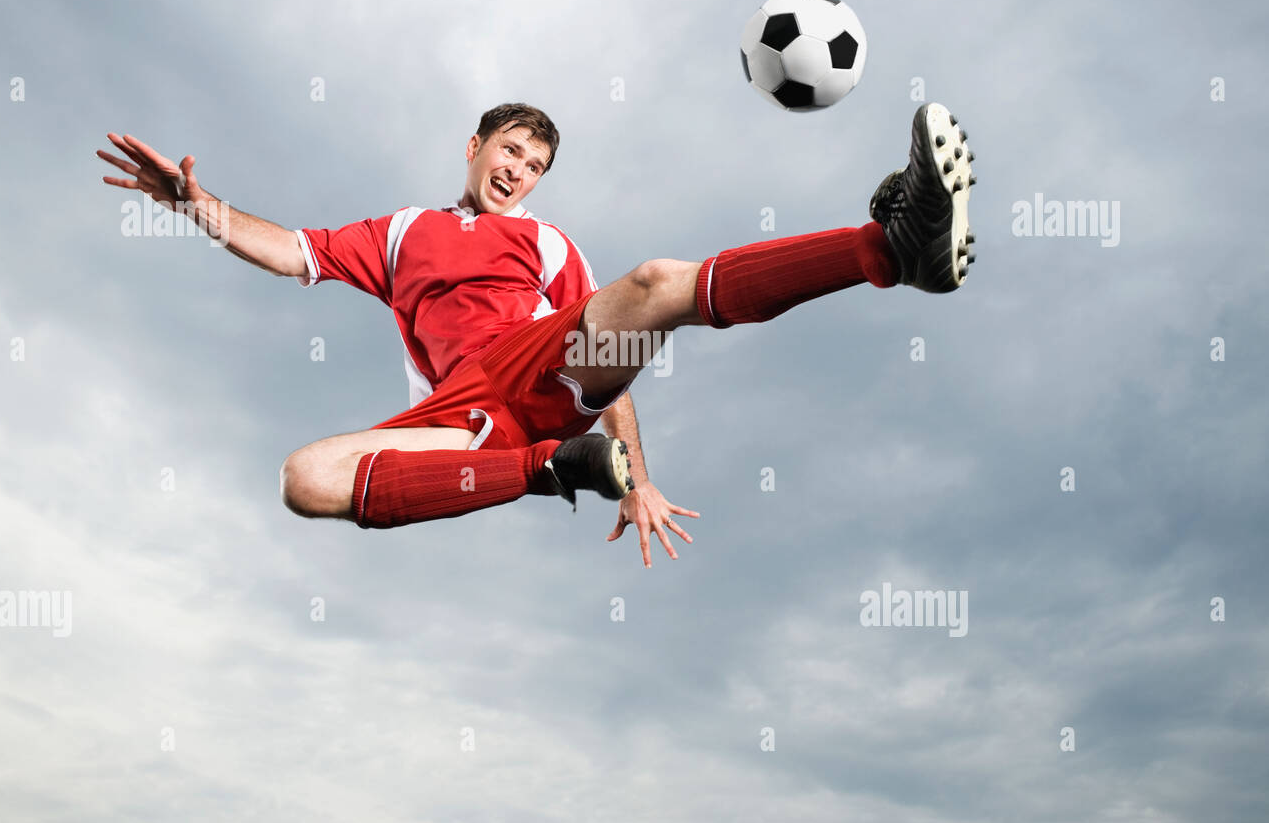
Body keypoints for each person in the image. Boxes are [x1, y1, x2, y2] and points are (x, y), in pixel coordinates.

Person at [98, 101, 975, 568]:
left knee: (655, 286)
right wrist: (195, 207)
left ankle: (889, 249)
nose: (519, 172)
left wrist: (640, 477)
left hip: (541, 367)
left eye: (536, 165)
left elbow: (612, 370)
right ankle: (550, 473)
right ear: (475, 145)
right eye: (511, 151)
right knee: (307, 478)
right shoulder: (402, 232)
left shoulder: (549, 244)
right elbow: (292, 251)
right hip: (462, 419)